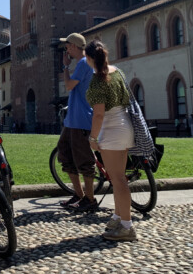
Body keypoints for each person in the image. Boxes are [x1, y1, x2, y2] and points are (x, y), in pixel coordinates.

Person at [84, 39, 137, 242]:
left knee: (118, 180)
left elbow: (98, 115)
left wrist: (93, 137)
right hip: (125, 126)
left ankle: (127, 226)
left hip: (111, 130)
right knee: (119, 178)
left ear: (89, 58)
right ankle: (117, 217)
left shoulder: (98, 80)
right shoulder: (118, 72)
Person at [56, 32, 96, 212]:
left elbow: (69, 85)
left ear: (73, 46)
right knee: (64, 153)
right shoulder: (83, 63)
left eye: (67, 46)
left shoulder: (82, 62)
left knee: (84, 160)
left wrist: (65, 67)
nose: (66, 49)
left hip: (81, 118)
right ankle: (79, 195)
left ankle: (89, 199)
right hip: (73, 119)